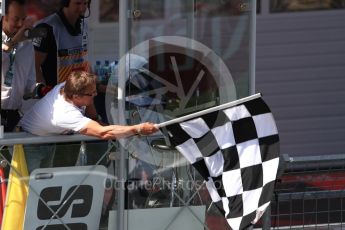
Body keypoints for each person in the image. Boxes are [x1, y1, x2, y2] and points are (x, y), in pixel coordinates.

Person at [20, 71, 158, 139]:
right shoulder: (65, 114)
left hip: (46, 138)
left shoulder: (68, 86)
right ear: (76, 96)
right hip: (27, 141)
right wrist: (137, 129)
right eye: (91, 94)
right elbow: (103, 133)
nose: (95, 95)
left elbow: (94, 119)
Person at [33, 0, 91, 87]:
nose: (82, 8)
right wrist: (45, 92)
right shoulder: (43, 27)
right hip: (54, 95)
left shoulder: (84, 25)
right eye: (78, 3)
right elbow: (34, 67)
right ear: (65, 2)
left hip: (78, 92)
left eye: (85, 3)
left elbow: (84, 61)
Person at [1, 0, 37, 132]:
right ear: (3, 17)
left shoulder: (27, 45)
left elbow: (29, 84)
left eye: (23, 19)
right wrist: (14, 41)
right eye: (16, 19)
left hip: (14, 115)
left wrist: (41, 90)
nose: (21, 25)